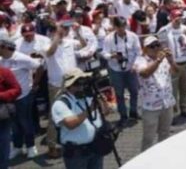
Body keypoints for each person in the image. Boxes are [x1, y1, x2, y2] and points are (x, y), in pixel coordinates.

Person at [51, 68, 111, 169]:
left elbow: (105, 113)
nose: (81, 86)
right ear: (69, 86)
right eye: (78, 83)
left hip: (95, 147)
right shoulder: (61, 103)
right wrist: (90, 109)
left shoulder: (87, 97)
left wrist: (103, 102)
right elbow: (70, 124)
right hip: (76, 154)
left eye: (82, 83)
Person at [0, 37, 41, 159]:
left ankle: (31, 146)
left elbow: (39, 67)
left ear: (5, 47)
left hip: (24, 95)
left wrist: (35, 83)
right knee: (14, 124)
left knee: (25, 121)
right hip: (9, 98)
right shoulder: (1, 60)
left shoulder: (22, 58)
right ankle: (18, 146)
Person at [45, 20, 81, 158]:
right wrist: (57, 37)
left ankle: (73, 139)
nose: (63, 31)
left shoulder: (70, 42)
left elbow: (83, 45)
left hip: (72, 82)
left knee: (74, 110)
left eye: (65, 29)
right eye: (60, 29)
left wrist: (78, 32)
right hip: (56, 84)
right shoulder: (47, 43)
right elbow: (50, 52)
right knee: (54, 114)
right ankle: (51, 146)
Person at [134, 36, 177, 152]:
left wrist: (171, 61)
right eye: (152, 46)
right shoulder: (140, 60)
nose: (156, 48)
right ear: (145, 49)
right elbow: (144, 73)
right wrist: (158, 61)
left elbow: (175, 72)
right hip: (150, 107)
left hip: (167, 103)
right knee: (149, 138)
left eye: (158, 45)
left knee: (165, 134)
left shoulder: (164, 59)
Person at [101, 16, 142, 127]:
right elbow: (104, 53)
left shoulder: (133, 36)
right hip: (115, 69)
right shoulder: (109, 38)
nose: (122, 29)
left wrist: (135, 64)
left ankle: (133, 112)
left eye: (124, 26)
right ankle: (123, 116)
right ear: (115, 27)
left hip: (130, 68)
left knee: (134, 91)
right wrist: (112, 56)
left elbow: (139, 52)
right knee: (119, 94)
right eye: (119, 27)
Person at [157, 9, 186, 121]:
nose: (179, 19)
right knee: (172, 90)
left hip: (185, 62)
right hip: (173, 64)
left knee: (184, 88)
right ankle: (173, 112)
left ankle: (184, 108)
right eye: (177, 17)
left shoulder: (184, 28)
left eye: (180, 17)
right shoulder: (164, 30)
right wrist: (170, 61)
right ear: (172, 18)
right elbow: (162, 46)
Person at [0, 59, 21, 168]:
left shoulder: (4, 72)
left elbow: (17, 90)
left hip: (2, 116)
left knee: (3, 145)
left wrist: (1, 96)